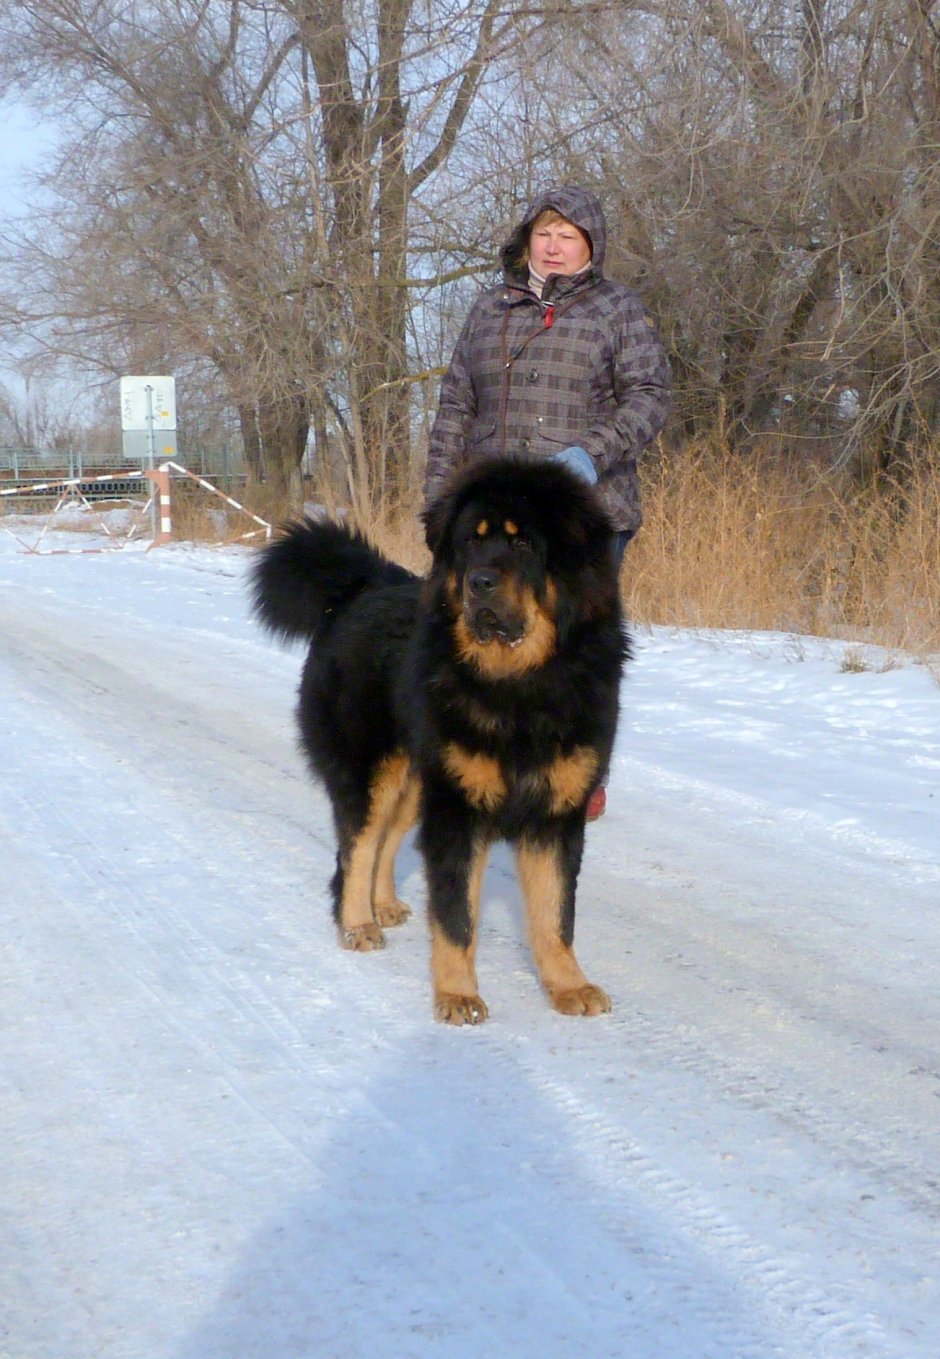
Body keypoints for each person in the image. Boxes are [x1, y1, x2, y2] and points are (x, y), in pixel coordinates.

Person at [425, 183, 671, 819]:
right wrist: (438, 498)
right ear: (526, 240)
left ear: (590, 245)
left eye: (569, 236)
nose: (555, 246)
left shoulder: (619, 309)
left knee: (580, 649)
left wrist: (592, 452)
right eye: (545, 234)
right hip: (489, 516)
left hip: (584, 516)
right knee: (475, 639)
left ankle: (578, 775)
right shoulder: (488, 308)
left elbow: (649, 396)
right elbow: (455, 404)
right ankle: (493, 764)